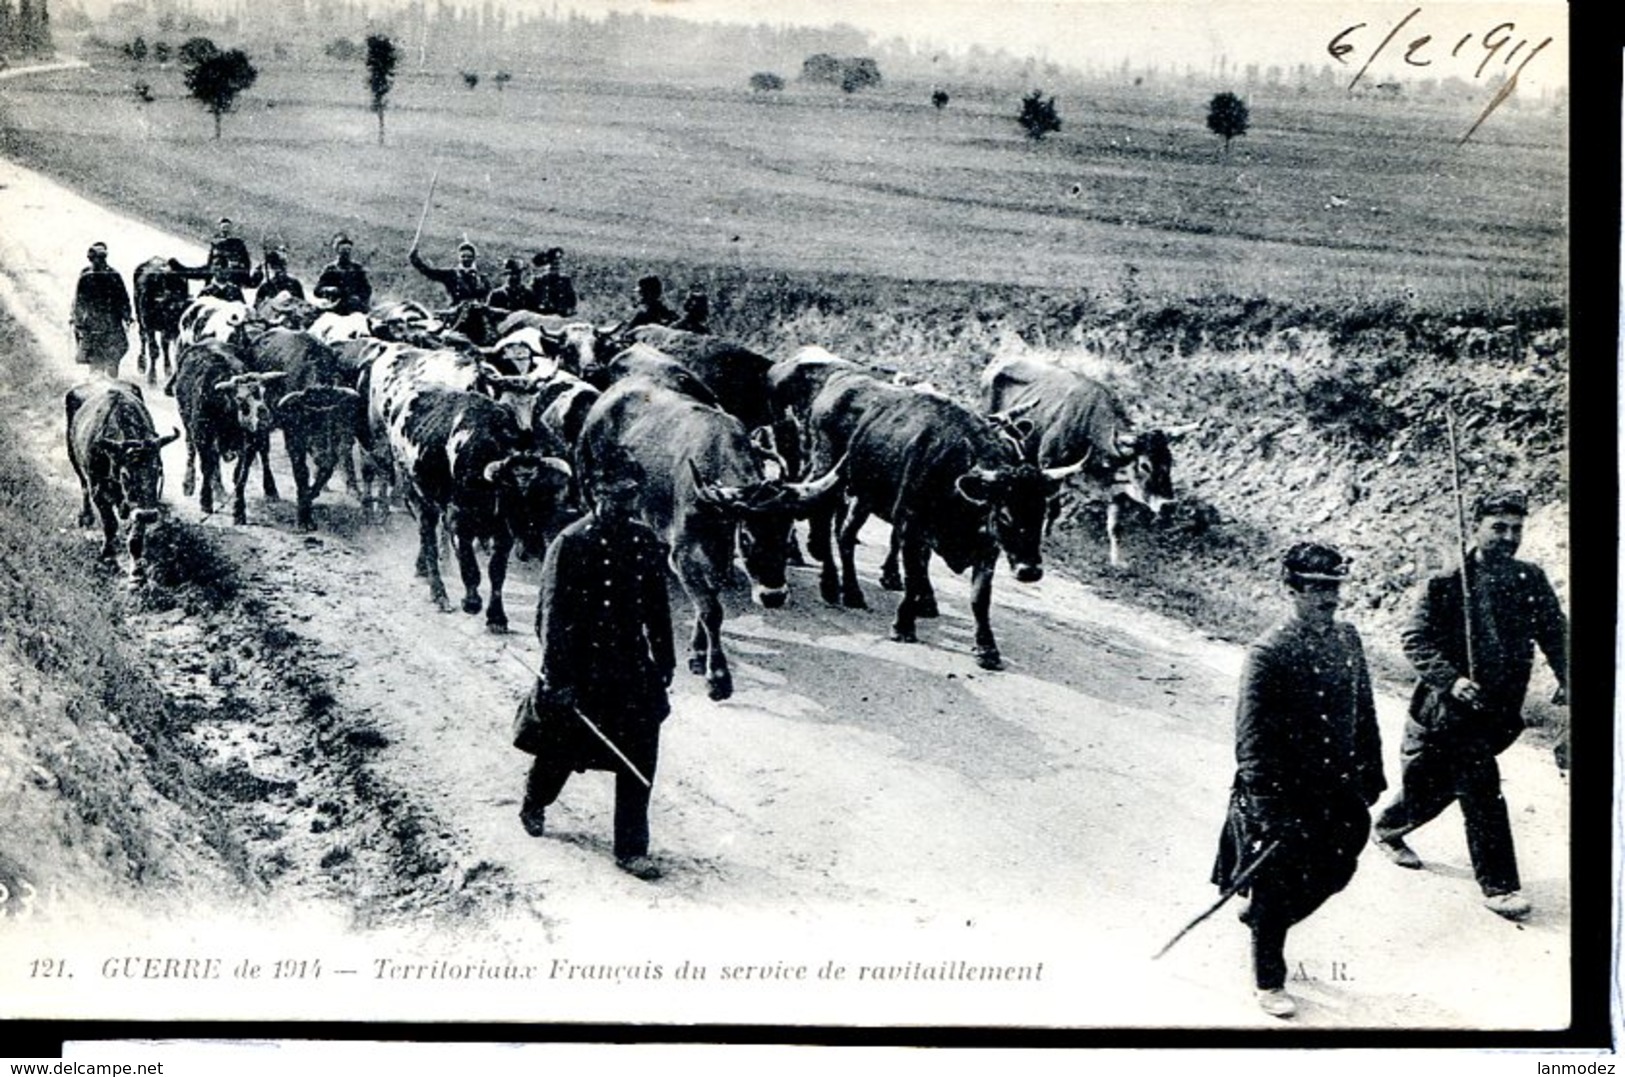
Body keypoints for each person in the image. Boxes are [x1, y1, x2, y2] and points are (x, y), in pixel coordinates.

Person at [1371, 488, 1568, 922]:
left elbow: (1557, 634)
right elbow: (1415, 640)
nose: (1508, 537)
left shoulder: (1528, 578)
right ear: (1476, 527)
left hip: (1498, 713)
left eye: (1516, 529)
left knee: (1436, 784)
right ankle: (1500, 887)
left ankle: (1387, 827)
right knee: (1482, 789)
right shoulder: (1446, 581)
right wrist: (1452, 680)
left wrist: (1569, 678)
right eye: (1498, 527)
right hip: (1449, 710)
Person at [1211, 542, 1384, 1019]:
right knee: (1278, 881)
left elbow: (1363, 708)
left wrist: (1372, 768)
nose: (1327, 599)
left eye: (1333, 588)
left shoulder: (1347, 638)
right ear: (1290, 590)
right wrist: (1268, 808)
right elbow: (1251, 738)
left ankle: (1264, 918)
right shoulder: (1270, 651)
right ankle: (1268, 977)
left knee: (1339, 866)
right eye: (1314, 590)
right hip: (1285, 791)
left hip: (1339, 786)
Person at [515, 456, 675, 881]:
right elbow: (550, 617)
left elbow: (659, 610)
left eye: (630, 496)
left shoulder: (644, 541)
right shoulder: (571, 543)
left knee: (639, 759)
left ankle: (631, 848)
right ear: (595, 495)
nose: (624, 505)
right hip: (581, 670)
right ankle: (535, 800)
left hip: (632, 670)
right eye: (615, 497)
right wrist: (558, 679)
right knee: (561, 752)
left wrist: (665, 663)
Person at [70, 242, 133, 379]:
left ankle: (110, 378)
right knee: (95, 359)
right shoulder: (86, 277)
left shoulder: (113, 275)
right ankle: (99, 380)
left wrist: (127, 315)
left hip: (111, 322)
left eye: (102, 258)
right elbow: (79, 301)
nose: (100, 262)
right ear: (91, 259)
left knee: (114, 355)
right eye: (97, 258)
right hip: (95, 323)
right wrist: (78, 320)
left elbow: (123, 297)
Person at [409, 240, 492, 306]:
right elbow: (429, 272)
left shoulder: (482, 278)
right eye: (463, 256)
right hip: (456, 316)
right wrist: (415, 260)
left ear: (474, 258)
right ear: (459, 258)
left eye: (469, 256)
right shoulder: (450, 275)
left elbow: (488, 297)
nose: (466, 259)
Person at [314, 234, 372, 316]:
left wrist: (359, 298)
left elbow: (367, 289)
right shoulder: (330, 269)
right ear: (337, 250)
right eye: (343, 249)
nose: (346, 252)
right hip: (335, 307)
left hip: (355, 307)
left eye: (348, 249)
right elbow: (317, 291)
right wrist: (330, 290)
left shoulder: (357, 268)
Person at [529, 247, 577, 317]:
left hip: (560, 315)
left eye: (557, 265)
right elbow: (531, 300)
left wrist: (568, 309)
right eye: (552, 265)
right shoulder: (539, 281)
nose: (554, 267)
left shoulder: (565, 281)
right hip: (540, 315)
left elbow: (571, 301)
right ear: (546, 266)